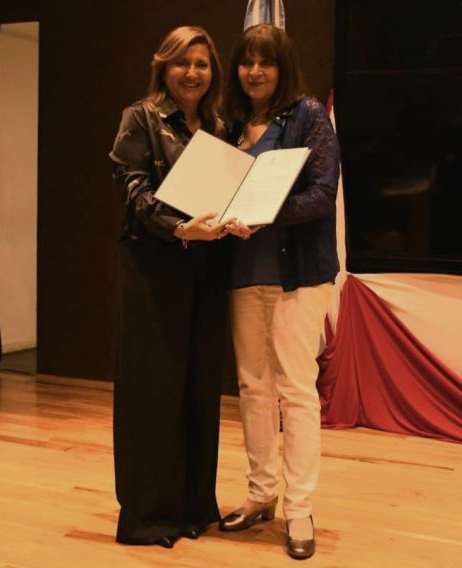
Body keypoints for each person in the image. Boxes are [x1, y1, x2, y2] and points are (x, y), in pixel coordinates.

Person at [219, 24, 341, 561]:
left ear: (282, 66)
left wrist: (264, 215)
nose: (255, 72)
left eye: (265, 62)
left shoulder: (308, 115)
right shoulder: (230, 125)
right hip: (243, 273)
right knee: (252, 388)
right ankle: (261, 493)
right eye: (246, 62)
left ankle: (300, 508)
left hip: (300, 275)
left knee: (296, 390)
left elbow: (322, 194)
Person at [108, 26, 233, 549]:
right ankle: (150, 517)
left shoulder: (221, 127)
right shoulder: (140, 117)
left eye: (202, 64)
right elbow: (132, 190)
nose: (192, 73)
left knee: (199, 390)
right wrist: (181, 228)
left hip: (207, 272)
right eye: (182, 62)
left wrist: (236, 216)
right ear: (164, 67)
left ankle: (193, 507)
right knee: (154, 393)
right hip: (155, 269)